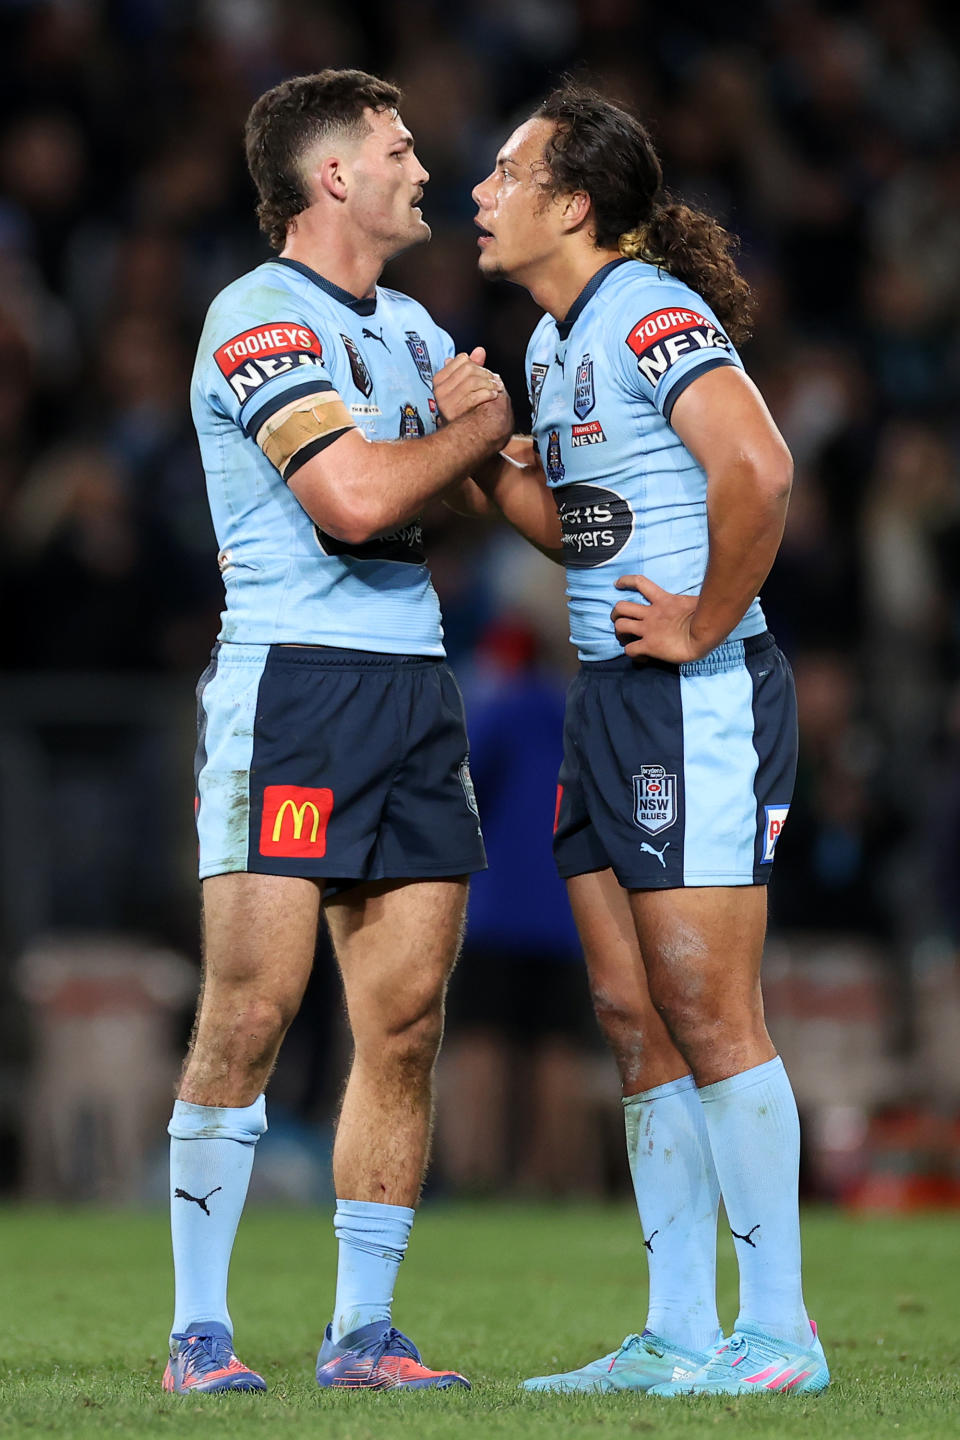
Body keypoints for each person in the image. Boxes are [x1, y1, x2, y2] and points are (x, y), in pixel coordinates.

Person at [434, 82, 829, 1396]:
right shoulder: (556, 346)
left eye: (506, 172)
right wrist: (485, 457)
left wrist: (709, 623)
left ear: (575, 201)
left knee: (709, 1005)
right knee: (629, 1010)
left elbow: (758, 466)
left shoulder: (656, 314)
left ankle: (780, 1334)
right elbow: (579, 531)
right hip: (609, 699)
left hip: (689, 697)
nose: (480, 191)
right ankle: (678, 1330)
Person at [164, 68, 513, 1395]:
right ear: (334, 180)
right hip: (295, 690)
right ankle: (200, 1335)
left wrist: (480, 449)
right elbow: (357, 499)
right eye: (397, 146)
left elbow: (444, 503)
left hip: (414, 690)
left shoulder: (418, 329)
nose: (424, 163)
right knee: (254, 1010)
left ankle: (363, 1333)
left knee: (408, 1020)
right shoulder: (256, 320)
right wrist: (473, 429)